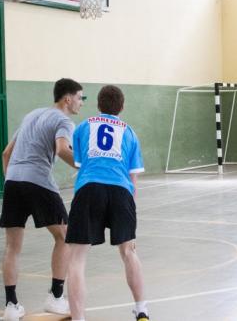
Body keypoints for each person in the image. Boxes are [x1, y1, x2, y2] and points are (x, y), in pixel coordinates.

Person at [0, 78, 84, 320]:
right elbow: (62, 149)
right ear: (67, 98)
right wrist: (86, 167)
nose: (81, 102)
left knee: (12, 246)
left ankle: (11, 306)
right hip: (38, 180)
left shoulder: (32, 115)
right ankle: (55, 297)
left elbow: (6, 153)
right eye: (80, 98)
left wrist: (11, 180)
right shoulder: (64, 121)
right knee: (65, 236)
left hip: (12, 182)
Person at [66, 85, 149, 321]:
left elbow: (80, 163)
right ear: (122, 107)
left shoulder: (83, 127)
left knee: (77, 258)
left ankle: (78, 318)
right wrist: (130, 214)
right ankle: (142, 310)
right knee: (129, 251)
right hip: (121, 191)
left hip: (89, 188)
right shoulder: (130, 133)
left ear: (98, 105)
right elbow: (133, 180)